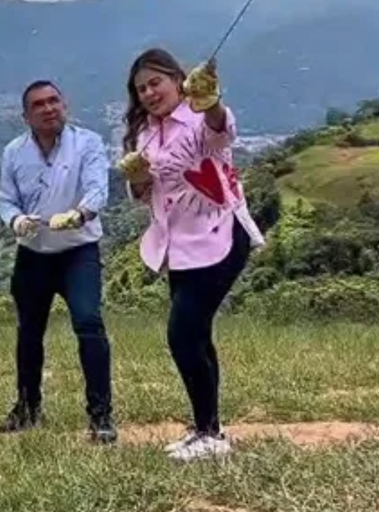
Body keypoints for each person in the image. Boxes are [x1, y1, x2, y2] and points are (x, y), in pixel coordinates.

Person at [118, 49, 265, 462]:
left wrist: (211, 101)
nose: (148, 93)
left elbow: (223, 130)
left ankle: (208, 433)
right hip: (177, 245)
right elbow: (146, 193)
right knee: (197, 335)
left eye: (155, 83)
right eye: (140, 88)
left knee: (182, 333)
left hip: (220, 234)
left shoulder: (199, 118)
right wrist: (139, 178)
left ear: (176, 79)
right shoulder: (146, 133)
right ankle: (209, 429)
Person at [0, 79, 116, 444]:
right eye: (39, 105)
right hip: (33, 253)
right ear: (25, 116)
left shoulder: (88, 143)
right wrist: (15, 220)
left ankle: (101, 416)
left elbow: (98, 187)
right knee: (29, 332)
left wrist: (81, 213)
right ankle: (28, 407)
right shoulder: (14, 152)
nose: (49, 109)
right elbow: (6, 198)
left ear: (64, 104)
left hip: (79, 250)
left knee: (89, 322)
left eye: (54, 101)